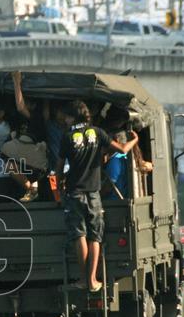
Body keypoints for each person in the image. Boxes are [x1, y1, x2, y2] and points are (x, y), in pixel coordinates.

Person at [54, 100, 139, 292]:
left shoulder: (67, 137)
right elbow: (123, 150)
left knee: (79, 235)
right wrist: (134, 140)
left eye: (66, 117)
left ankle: (83, 279)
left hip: (74, 192)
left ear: (72, 117)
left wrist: (60, 188)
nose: (65, 120)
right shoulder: (98, 133)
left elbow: (59, 167)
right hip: (93, 193)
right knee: (95, 236)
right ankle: (93, 280)